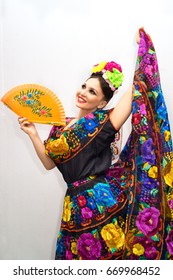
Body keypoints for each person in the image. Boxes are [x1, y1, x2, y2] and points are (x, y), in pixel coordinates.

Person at [18, 28, 173, 260]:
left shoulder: (102, 124)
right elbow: (50, 164)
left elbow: (135, 89)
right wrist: (32, 134)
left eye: (92, 92)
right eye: (84, 86)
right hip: (73, 203)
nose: (83, 93)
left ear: (102, 102)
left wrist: (145, 52)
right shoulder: (60, 126)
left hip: (99, 201)